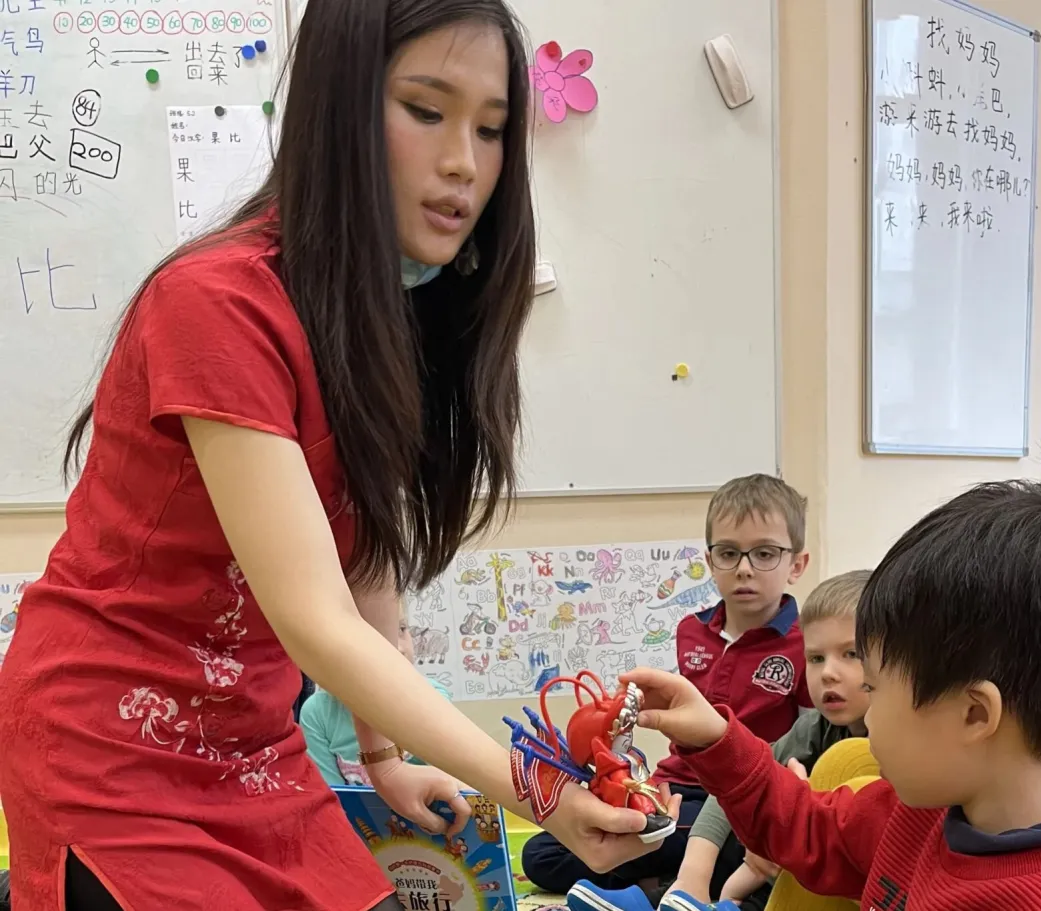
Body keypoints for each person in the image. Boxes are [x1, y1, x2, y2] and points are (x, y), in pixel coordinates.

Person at [0, 2, 672, 909]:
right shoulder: (216, 302)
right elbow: (317, 616)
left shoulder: (397, 310)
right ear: (339, 106)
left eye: (493, 128)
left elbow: (364, 550)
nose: (462, 164)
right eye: (426, 111)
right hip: (109, 747)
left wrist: (382, 756)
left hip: (250, 746)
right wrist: (542, 791)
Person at [619, 482, 1041, 909]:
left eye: (873, 686)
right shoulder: (918, 810)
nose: (868, 714)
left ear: (973, 713)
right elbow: (804, 825)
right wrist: (715, 737)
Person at [523, 474, 813, 898]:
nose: (745, 568)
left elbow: (809, 740)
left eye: (765, 553)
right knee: (542, 853)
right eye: (729, 553)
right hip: (670, 787)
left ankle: (656, 885)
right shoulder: (690, 631)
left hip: (738, 801)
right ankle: (658, 885)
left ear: (797, 565)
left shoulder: (807, 644)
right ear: (710, 561)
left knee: (744, 854)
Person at [669, 570, 873, 911]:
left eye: (851, 654)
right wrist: (692, 877)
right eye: (816, 658)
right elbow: (739, 775)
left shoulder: (903, 745)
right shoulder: (814, 728)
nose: (828, 673)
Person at [301, 602, 452, 788]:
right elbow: (331, 794)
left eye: (402, 629)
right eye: (374, 637)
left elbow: (450, 776)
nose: (399, 648)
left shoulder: (433, 697)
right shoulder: (317, 713)